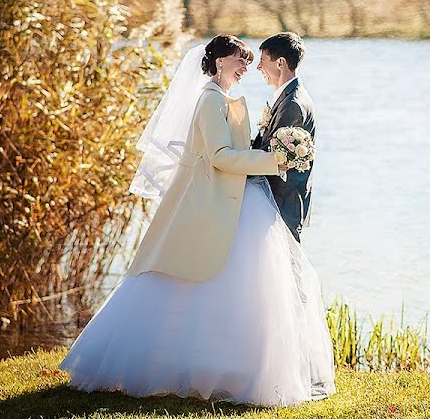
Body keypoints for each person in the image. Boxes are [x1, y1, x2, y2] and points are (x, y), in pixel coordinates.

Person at [59, 34, 336, 407]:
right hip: (209, 199)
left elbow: (240, 149)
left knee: (225, 284)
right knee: (190, 277)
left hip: (231, 200)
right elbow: (221, 155)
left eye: (252, 60)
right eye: (241, 60)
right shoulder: (209, 101)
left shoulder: (229, 99)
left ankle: (220, 366)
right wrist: (277, 161)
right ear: (220, 61)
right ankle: (172, 363)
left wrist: (273, 158)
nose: (247, 67)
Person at [252, 32, 316, 242]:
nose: (258, 68)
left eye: (262, 61)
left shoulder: (293, 104)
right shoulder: (289, 96)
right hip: (279, 202)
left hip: (283, 203)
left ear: (280, 63)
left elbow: (273, 158)